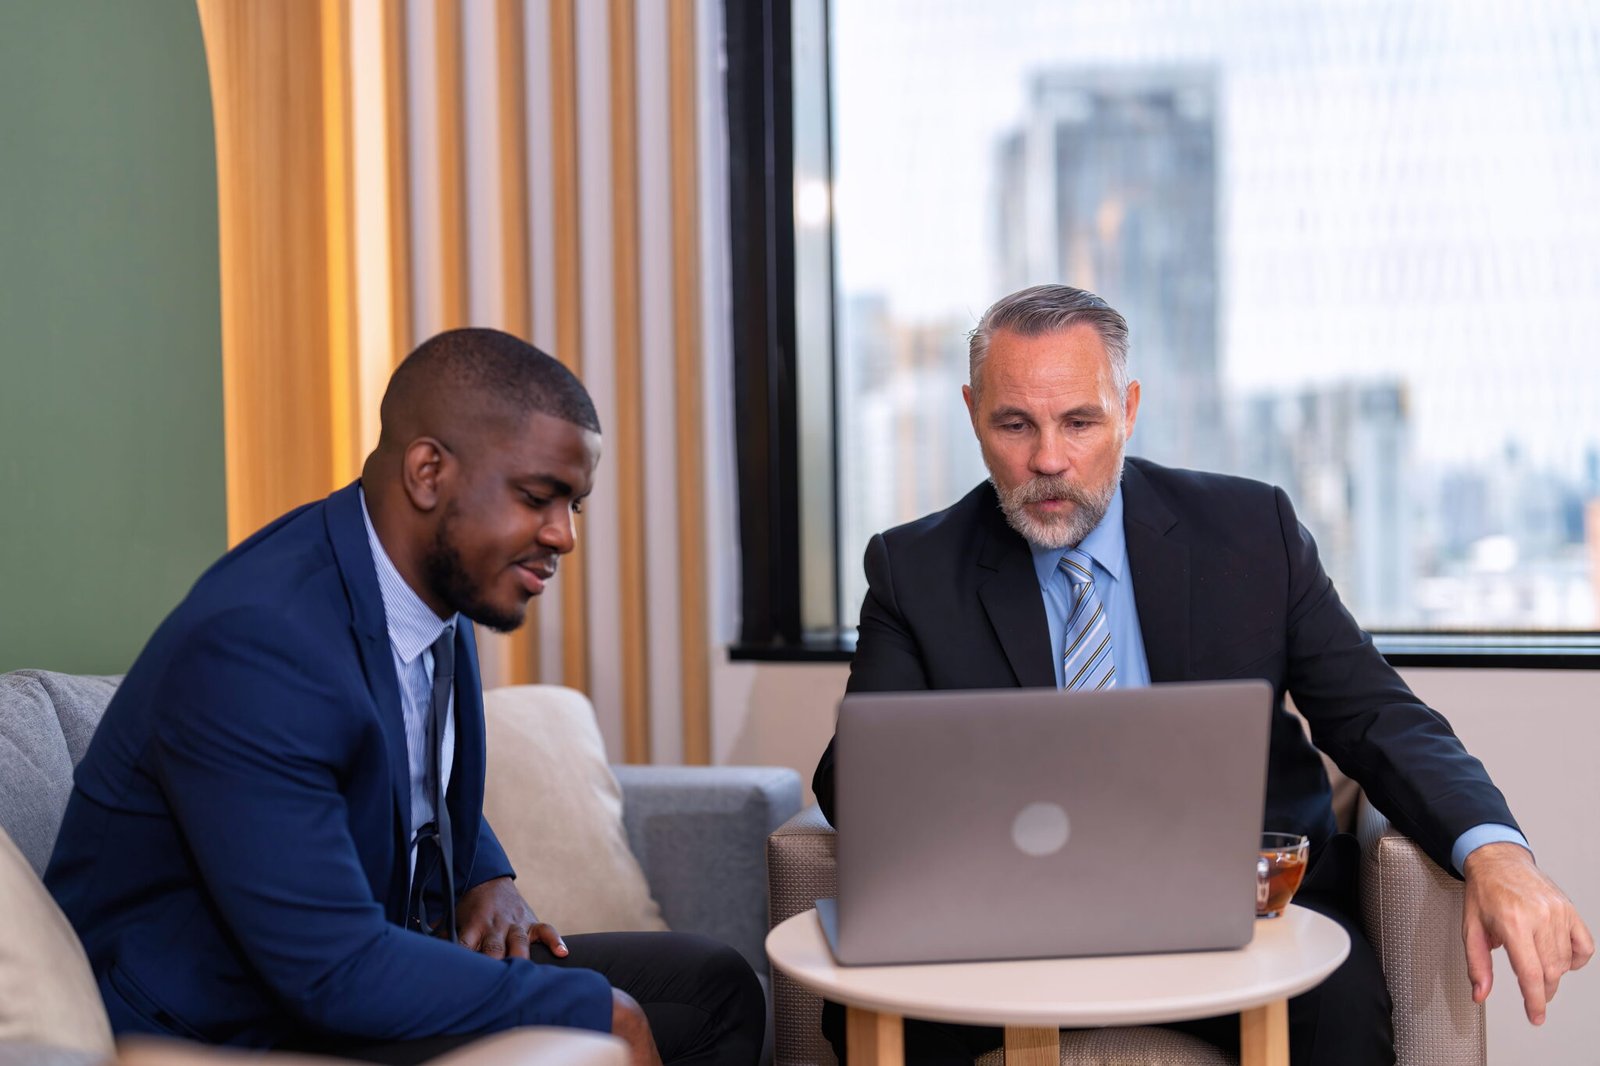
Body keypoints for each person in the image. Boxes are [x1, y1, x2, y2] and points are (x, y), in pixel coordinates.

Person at [810, 285, 1592, 1066]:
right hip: (1007, 928)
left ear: (1130, 408)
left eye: (1079, 421)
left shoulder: (1253, 535)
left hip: (1240, 918)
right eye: (1015, 425)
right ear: (974, 412)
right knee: (869, 1020)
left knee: (1344, 1005)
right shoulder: (914, 569)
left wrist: (1496, 854)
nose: (1048, 460)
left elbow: (1377, 715)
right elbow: (857, 778)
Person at [47, 329, 764, 1066]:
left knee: (713, 986)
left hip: (350, 968)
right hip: (224, 1024)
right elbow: (329, 969)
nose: (564, 535)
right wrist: (593, 1008)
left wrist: (484, 869)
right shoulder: (257, 643)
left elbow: (399, 759)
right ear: (428, 471)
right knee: (606, 1015)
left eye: (574, 504)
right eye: (538, 498)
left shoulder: (431, 589)